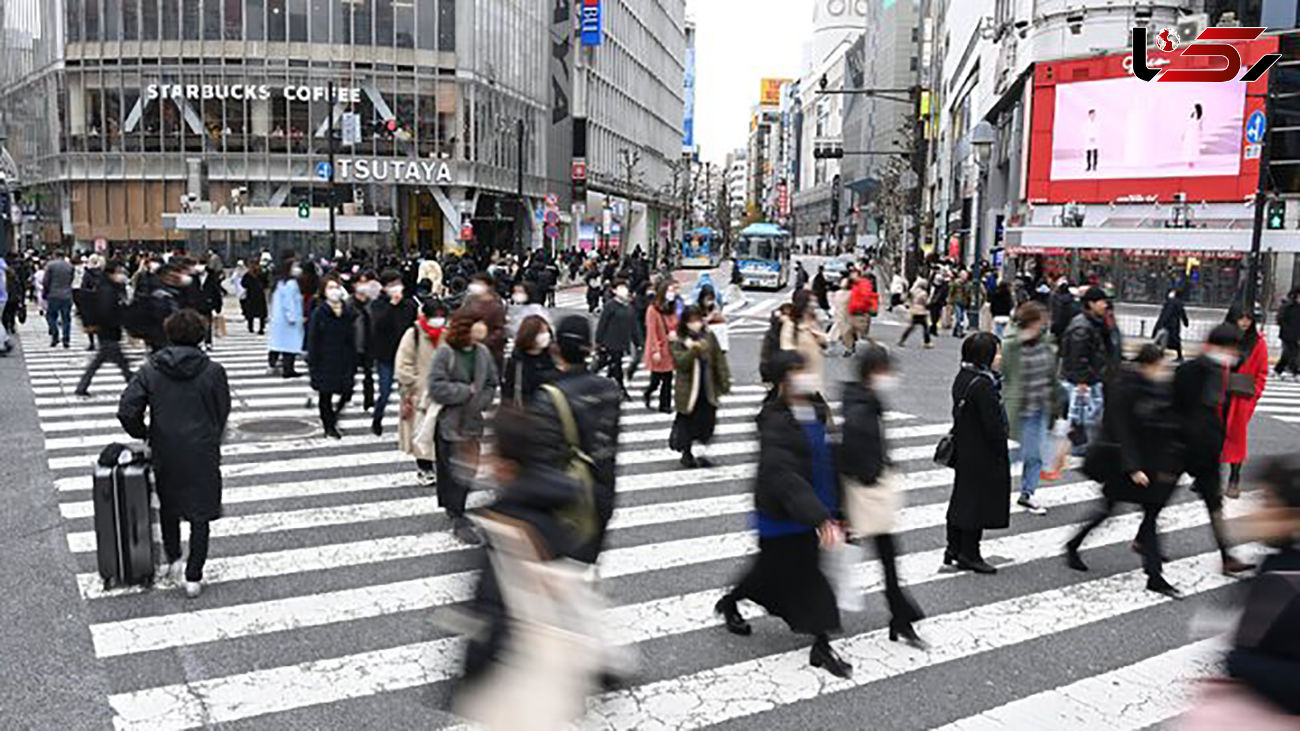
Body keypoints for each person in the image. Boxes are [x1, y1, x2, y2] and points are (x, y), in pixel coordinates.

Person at [714, 351, 852, 679]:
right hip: (781, 514)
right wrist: (819, 517)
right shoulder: (773, 420)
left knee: (771, 574)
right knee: (802, 579)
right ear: (781, 381)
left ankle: (731, 600)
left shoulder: (816, 409)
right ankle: (821, 643)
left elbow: (830, 462)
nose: (804, 377)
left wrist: (839, 511)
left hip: (814, 513)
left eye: (804, 370)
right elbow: (784, 476)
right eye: (795, 372)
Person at [117, 309, 231, 598]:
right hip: (202, 449)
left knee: (169, 505)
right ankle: (194, 576)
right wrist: (211, 435)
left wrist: (143, 432)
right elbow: (222, 410)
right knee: (200, 512)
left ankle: (173, 558)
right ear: (199, 335)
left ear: (169, 334)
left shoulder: (151, 369)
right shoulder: (213, 371)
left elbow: (128, 409)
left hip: (165, 448)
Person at [1065, 344, 1184, 598]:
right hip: (1125, 465)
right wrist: (1133, 468)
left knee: (1146, 516)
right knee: (1110, 510)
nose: (1164, 371)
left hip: (1148, 464)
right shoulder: (1125, 387)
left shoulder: (1155, 387)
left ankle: (1154, 575)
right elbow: (1122, 430)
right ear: (1147, 365)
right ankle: (1074, 545)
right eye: (1160, 366)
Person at [840, 344, 926, 647]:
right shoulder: (861, 408)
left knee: (887, 557)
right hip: (864, 495)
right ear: (874, 373)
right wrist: (873, 473)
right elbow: (851, 450)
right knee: (828, 562)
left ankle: (900, 617)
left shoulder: (866, 399)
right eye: (886, 370)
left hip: (868, 494)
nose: (891, 376)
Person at [1174, 323, 1255, 575]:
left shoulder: (1222, 372)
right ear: (1215, 346)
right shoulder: (1189, 371)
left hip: (1207, 453)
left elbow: (1218, 412)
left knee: (1214, 505)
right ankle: (1144, 539)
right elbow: (1176, 409)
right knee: (1157, 501)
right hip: (1182, 449)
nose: (1233, 354)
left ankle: (1227, 557)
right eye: (1230, 348)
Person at [429, 305, 500, 545]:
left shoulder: (483, 352)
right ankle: (457, 513)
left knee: (469, 468)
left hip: (472, 421)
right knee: (452, 470)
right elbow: (436, 387)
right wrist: (465, 392)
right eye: (476, 323)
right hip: (449, 421)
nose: (482, 328)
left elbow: (491, 382)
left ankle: (455, 507)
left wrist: (480, 399)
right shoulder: (445, 353)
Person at [945, 332, 1011, 574]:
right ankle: (970, 553)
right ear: (986, 355)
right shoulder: (984, 385)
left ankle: (953, 547)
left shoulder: (964, 376)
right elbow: (993, 427)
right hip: (981, 452)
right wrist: (999, 450)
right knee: (976, 504)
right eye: (997, 352)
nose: (1000, 357)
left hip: (965, 448)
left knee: (962, 498)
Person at [1001, 302, 1057, 515]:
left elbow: (1051, 377)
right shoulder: (1012, 345)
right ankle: (988, 479)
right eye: (1042, 318)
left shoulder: (1046, 344)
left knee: (1035, 453)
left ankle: (1028, 493)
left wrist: (1057, 402)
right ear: (1032, 321)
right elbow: (1004, 375)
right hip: (1019, 408)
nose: (1045, 323)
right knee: (1018, 452)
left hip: (1040, 406)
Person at [670, 306, 731, 469]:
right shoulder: (680, 340)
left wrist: (724, 381)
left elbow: (719, 360)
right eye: (691, 321)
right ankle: (687, 453)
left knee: (707, 422)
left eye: (697, 320)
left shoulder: (709, 337)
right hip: (689, 390)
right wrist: (694, 351)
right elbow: (680, 363)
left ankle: (703, 452)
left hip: (707, 386)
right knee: (688, 422)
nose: (695, 324)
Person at [397, 298, 448, 486]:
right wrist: (413, 384)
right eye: (435, 316)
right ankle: (424, 468)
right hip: (419, 393)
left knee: (441, 432)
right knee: (420, 433)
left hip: (442, 392)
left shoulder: (447, 335)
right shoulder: (413, 334)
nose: (439, 320)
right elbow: (403, 364)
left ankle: (440, 467)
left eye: (442, 316)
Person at [1223, 306, 1269, 500]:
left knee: (1236, 439)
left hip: (1241, 398)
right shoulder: (1223, 339)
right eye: (1241, 318)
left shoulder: (1257, 343)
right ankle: (1203, 477)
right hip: (1219, 395)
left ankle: (1234, 479)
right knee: (1213, 435)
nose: (1244, 322)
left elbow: (1262, 372)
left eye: (1248, 319)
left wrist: (1254, 394)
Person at [1060, 287, 1114, 449]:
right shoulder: (1083, 327)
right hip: (1085, 381)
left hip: (1091, 378)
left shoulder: (1094, 323)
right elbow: (1078, 356)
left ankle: (1083, 447)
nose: (1106, 305)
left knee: (1088, 416)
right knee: (1083, 417)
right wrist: (1082, 381)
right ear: (1091, 304)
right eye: (1102, 302)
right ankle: (1081, 449)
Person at [306, 276, 359, 440]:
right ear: (323, 291)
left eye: (336, 287)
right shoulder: (319, 312)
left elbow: (353, 336)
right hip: (324, 360)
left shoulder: (348, 311)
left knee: (346, 392)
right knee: (325, 395)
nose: (334, 290)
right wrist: (312, 362)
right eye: (330, 288)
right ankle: (328, 426)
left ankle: (334, 417)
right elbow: (313, 338)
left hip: (344, 359)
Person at [369, 270, 419, 436]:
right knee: (385, 391)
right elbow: (378, 324)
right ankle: (377, 418)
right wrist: (392, 305)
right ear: (384, 288)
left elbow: (415, 326)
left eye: (397, 284)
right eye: (391, 285)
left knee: (409, 392)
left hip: (407, 353)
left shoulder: (410, 304)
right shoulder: (378, 305)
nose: (396, 288)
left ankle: (409, 425)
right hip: (386, 354)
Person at [74, 261, 132, 397]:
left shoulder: (107, 286)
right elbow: (107, 311)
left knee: (101, 361)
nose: (121, 275)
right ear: (111, 273)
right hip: (108, 330)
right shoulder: (108, 290)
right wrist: (119, 320)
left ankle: (82, 386)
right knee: (121, 363)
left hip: (106, 331)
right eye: (118, 272)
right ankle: (136, 385)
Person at [594, 279, 640, 400]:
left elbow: (634, 326)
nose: (624, 290)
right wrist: (598, 342)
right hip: (610, 342)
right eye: (620, 288)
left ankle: (606, 387)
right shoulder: (610, 306)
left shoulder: (629, 307)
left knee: (611, 366)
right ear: (614, 291)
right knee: (614, 366)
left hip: (622, 342)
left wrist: (637, 343)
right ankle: (620, 389)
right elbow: (602, 324)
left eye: (625, 287)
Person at [501, 314, 557, 407]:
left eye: (547, 331)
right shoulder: (516, 362)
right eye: (542, 332)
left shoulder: (552, 358)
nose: (546, 335)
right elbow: (508, 391)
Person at [780, 289, 828, 396]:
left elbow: (824, 343)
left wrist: (818, 336)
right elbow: (787, 350)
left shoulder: (814, 322)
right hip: (799, 379)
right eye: (811, 302)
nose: (814, 305)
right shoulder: (791, 325)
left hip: (816, 375)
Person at [642, 279, 678, 413]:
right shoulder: (653, 309)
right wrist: (654, 350)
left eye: (673, 290)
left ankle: (665, 405)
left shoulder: (672, 308)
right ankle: (648, 393)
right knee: (656, 380)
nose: (672, 293)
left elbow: (677, 324)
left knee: (668, 378)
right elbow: (651, 332)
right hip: (658, 348)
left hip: (669, 349)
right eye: (669, 290)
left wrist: (676, 333)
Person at [267, 257, 305, 378]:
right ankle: (289, 369)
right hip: (288, 320)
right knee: (290, 346)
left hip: (279, 320)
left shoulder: (280, 283)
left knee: (280, 344)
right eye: (295, 266)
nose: (298, 269)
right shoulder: (291, 284)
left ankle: (274, 364)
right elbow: (289, 303)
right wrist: (293, 317)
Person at [351, 272, 379, 409]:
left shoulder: (372, 304)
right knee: (350, 373)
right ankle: (347, 395)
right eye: (360, 282)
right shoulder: (348, 304)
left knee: (369, 374)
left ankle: (369, 400)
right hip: (352, 344)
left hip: (369, 344)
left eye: (365, 282)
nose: (363, 286)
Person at [44, 250, 74, 348]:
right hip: (67, 295)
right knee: (66, 318)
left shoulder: (50, 265)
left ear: (54, 255)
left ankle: (55, 334)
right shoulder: (69, 266)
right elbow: (71, 280)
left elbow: (46, 281)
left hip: (53, 294)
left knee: (51, 316)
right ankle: (66, 339)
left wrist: (45, 292)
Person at [1153, 288, 1190, 362]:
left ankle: (1158, 355)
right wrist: (1186, 322)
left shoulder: (1170, 302)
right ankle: (1178, 356)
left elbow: (1166, 313)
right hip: (1175, 325)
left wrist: (1161, 323)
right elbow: (1183, 314)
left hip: (1167, 324)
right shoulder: (1179, 303)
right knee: (1174, 341)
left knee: (1162, 339)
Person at [898, 277, 933, 348]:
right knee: (925, 327)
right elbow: (926, 302)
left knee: (911, 327)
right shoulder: (924, 293)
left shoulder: (913, 291)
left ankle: (902, 340)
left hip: (914, 310)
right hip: (921, 311)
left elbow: (906, 298)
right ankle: (927, 342)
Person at [1276, 288, 1300, 380]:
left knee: (1293, 353)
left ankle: (1280, 370)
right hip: (1286, 334)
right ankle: (1294, 371)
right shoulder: (1288, 307)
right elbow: (1280, 319)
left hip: (1296, 335)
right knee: (1289, 353)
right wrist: (1286, 329)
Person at [240, 259, 268, 334]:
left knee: (258, 313)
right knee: (252, 312)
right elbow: (243, 283)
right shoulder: (249, 275)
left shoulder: (259, 273)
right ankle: (251, 327)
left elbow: (266, 283)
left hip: (255, 294)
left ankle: (260, 328)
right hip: (253, 294)